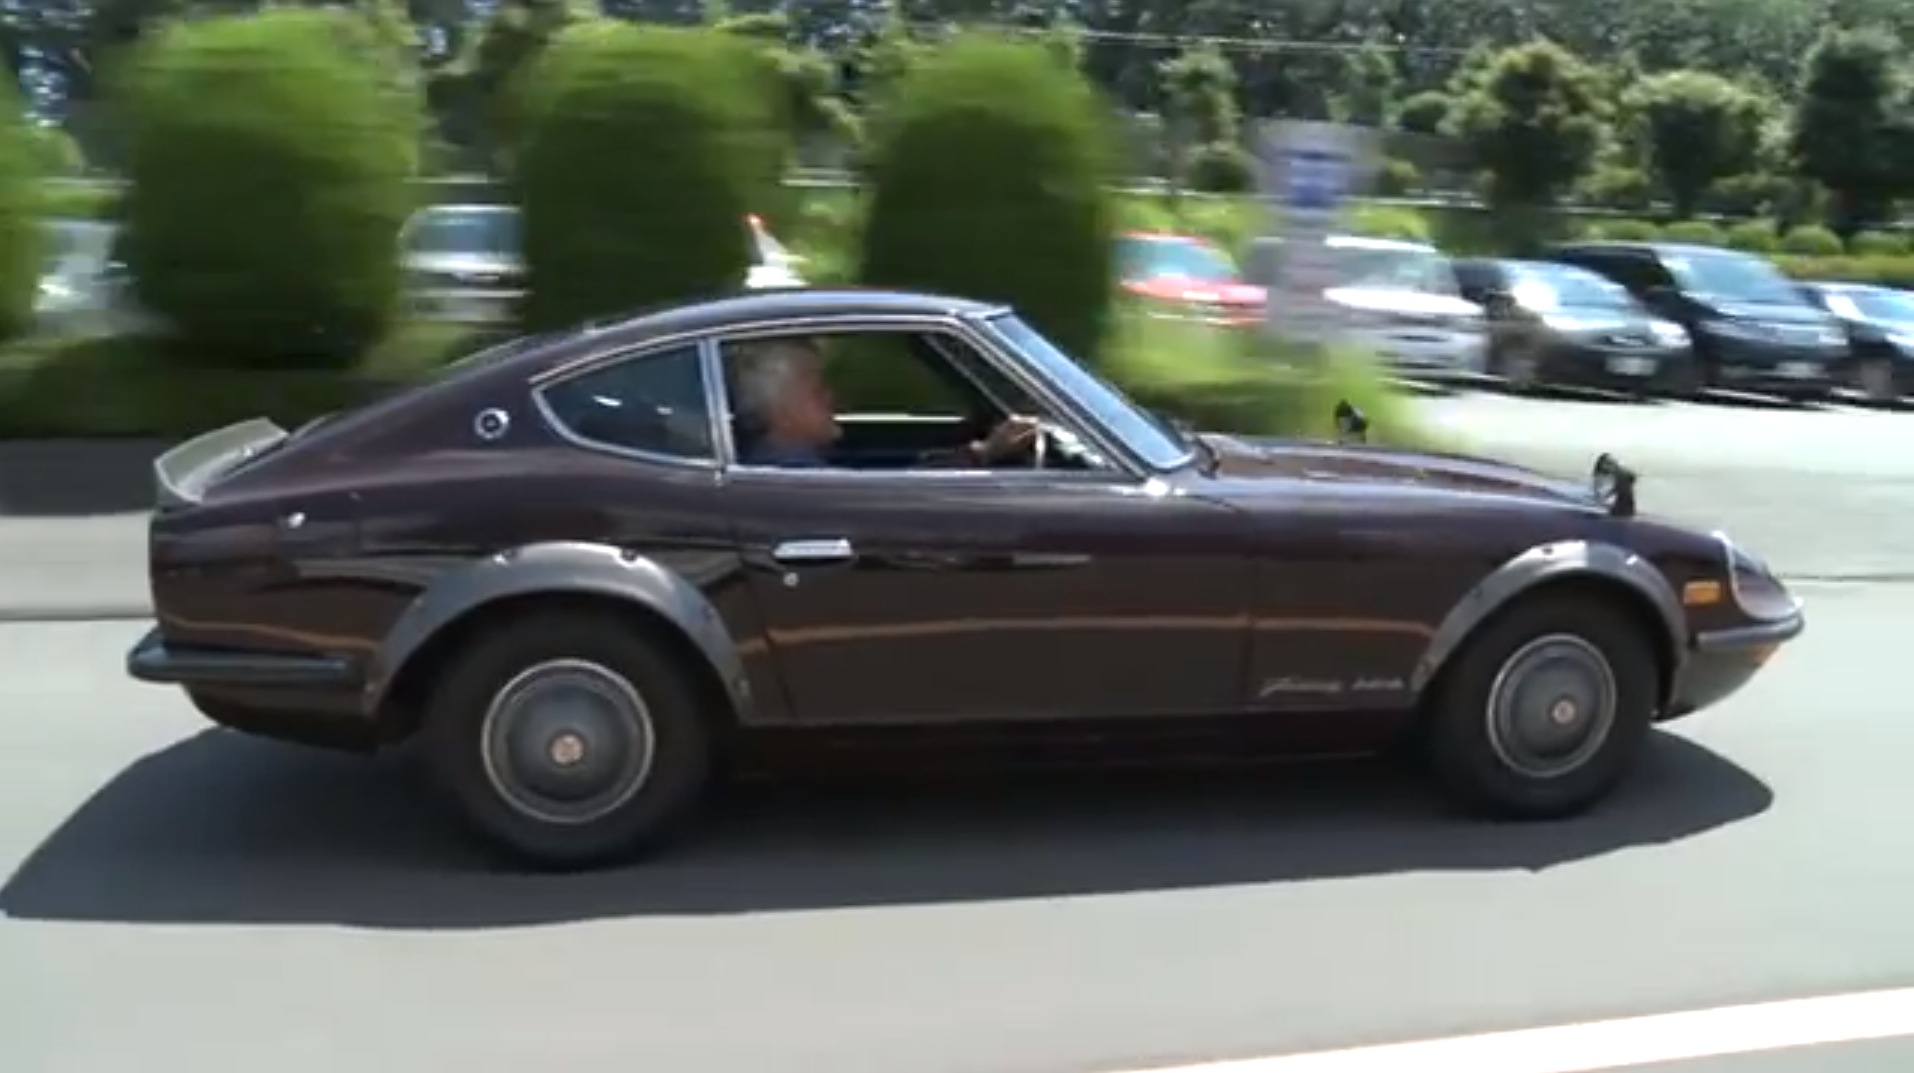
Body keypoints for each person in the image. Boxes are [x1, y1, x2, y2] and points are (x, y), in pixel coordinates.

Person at [729, 337, 1041, 468]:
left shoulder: (788, 459)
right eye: (816, 388)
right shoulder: (789, 472)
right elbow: (895, 506)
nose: (831, 396)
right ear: (781, 411)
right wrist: (984, 454)